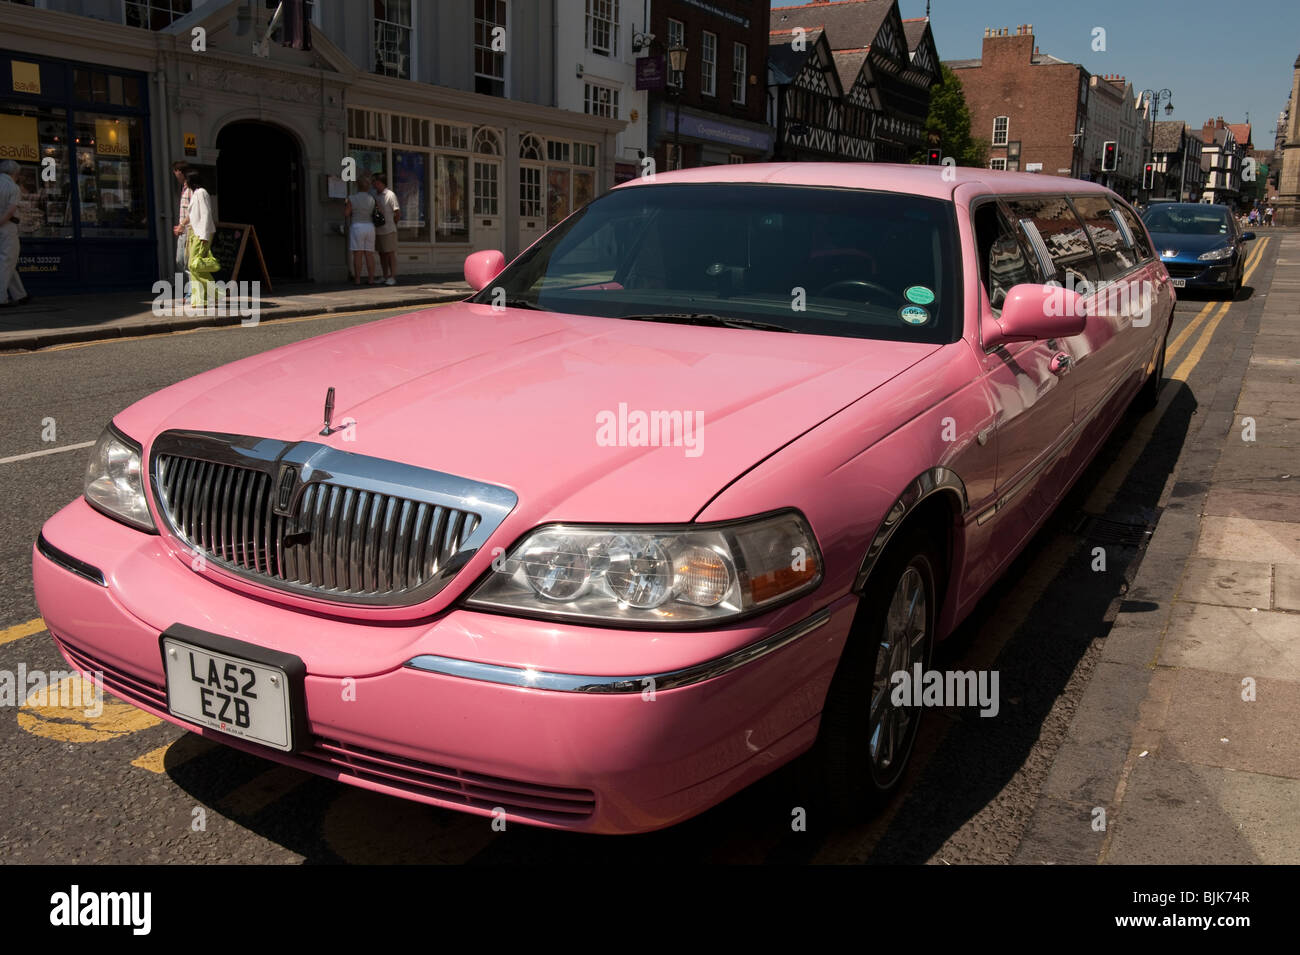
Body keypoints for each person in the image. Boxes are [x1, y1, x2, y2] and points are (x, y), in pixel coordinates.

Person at [185, 168, 218, 307]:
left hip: (201, 233)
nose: (185, 182)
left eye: (186, 179)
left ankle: (215, 293)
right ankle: (200, 299)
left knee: (194, 265)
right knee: (193, 266)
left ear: (191, 181)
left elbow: (206, 213)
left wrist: (203, 235)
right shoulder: (196, 194)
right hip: (195, 233)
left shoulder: (201, 193)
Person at [0, 159, 30, 307]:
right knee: (7, 262)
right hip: (8, 227)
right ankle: (1, 297)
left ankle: (20, 295)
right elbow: (10, 211)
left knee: (7, 262)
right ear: (15, 173)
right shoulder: (13, 187)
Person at [344, 175, 378, 285]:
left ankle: (357, 279)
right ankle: (371, 279)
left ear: (357, 186)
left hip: (357, 226)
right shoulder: (372, 199)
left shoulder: (352, 198)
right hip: (370, 227)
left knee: (358, 254)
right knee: (369, 254)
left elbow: (346, 213)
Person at [371, 172, 401, 285]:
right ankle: (385, 275)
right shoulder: (375, 195)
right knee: (382, 254)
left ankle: (392, 276)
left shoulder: (390, 195)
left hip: (389, 229)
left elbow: (397, 212)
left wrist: (394, 223)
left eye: (375, 182)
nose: (373, 184)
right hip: (378, 230)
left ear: (380, 182)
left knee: (390, 254)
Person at [172, 160, 191, 272]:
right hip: (183, 231)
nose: (175, 176)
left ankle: (193, 288)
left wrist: (182, 225)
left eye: (176, 172)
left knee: (186, 262)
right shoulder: (183, 189)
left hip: (189, 231)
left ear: (180, 172)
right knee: (180, 261)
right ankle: (193, 287)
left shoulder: (191, 189)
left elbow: (193, 211)